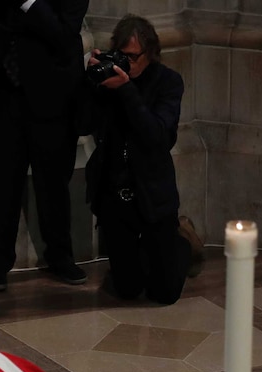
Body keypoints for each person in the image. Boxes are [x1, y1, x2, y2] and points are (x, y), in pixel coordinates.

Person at [82, 14, 204, 305]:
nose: (127, 63)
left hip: (152, 194)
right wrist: (90, 82)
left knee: (163, 295)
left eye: (133, 57)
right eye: (121, 56)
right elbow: (83, 125)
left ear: (149, 53)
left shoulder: (168, 83)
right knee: (127, 290)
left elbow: (158, 137)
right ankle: (144, 258)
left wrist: (126, 90)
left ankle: (183, 243)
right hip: (115, 195)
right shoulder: (107, 82)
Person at [0, 0, 89, 292]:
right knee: (3, 183)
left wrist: (27, 2)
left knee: (53, 182)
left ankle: (60, 256)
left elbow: (64, 34)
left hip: (53, 96)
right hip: (10, 93)